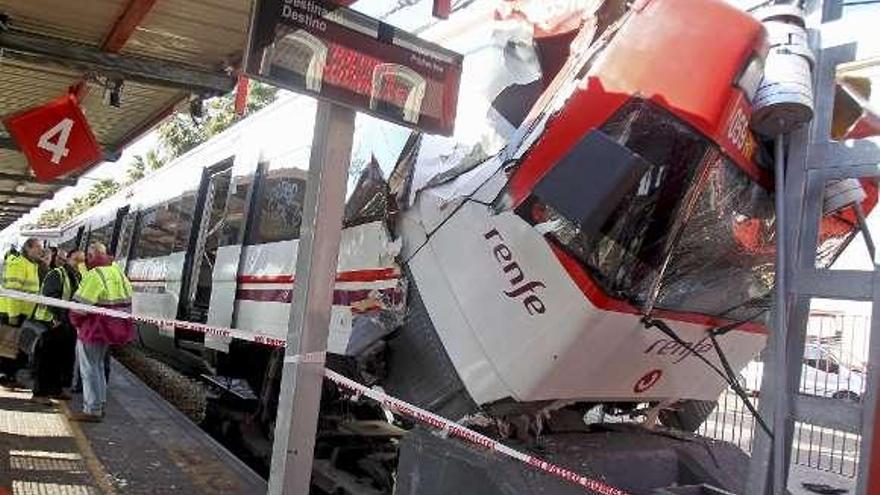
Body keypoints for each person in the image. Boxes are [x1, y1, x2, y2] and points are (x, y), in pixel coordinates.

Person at [68, 242, 134, 422]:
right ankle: (100, 403)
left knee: (89, 368)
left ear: (91, 256)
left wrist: (75, 322)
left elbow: (79, 307)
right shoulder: (118, 273)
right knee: (97, 366)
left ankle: (92, 409)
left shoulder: (94, 275)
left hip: (93, 329)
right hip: (110, 329)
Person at [29, 248, 79, 402]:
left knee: (61, 359)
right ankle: (40, 393)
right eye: (77, 260)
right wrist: (58, 318)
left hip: (66, 324)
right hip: (51, 323)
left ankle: (56, 389)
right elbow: (50, 297)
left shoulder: (76, 276)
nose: (80, 263)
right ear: (69, 260)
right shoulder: (56, 274)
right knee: (46, 360)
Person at [0, 239, 43, 386]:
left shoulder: (32, 265)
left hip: (23, 313)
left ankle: (11, 376)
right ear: (28, 248)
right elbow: (12, 291)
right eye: (38, 247)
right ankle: (5, 376)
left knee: (17, 346)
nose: (41, 250)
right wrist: (13, 315)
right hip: (11, 312)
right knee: (8, 346)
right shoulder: (18, 264)